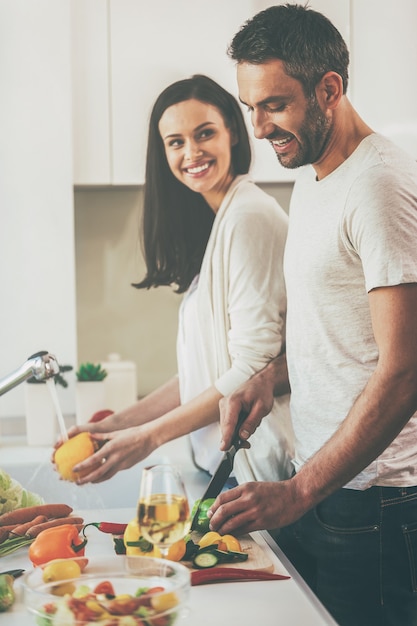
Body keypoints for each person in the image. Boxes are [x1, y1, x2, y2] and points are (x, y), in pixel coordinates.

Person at [207, 5, 417, 626]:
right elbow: (340, 334)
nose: (260, 125)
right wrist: (268, 378)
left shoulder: (378, 186)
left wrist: (298, 493)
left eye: (274, 103)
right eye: (250, 106)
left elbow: (404, 371)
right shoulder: (314, 174)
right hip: (328, 491)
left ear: (329, 89)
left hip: (377, 507)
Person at [67, 74, 293, 489]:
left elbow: (249, 371)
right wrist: (118, 424)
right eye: (176, 141)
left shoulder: (249, 218)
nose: (192, 152)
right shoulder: (223, 221)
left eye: (205, 133)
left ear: (233, 135)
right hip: (228, 470)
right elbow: (206, 373)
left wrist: (148, 437)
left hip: (257, 476)